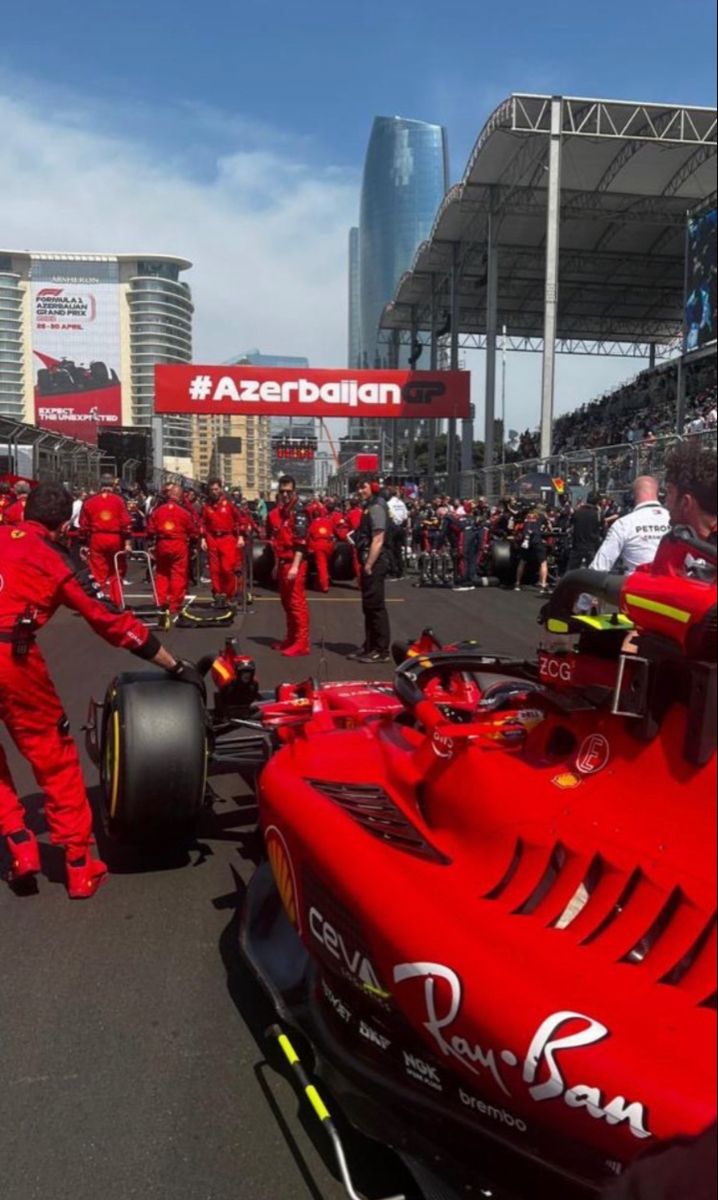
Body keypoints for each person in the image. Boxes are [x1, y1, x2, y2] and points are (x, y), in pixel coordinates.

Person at [0, 483, 200, 898]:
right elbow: (111, 621)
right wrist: (174, 664)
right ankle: (77, 864)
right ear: (64, 525)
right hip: (12, 659)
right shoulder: (55, 557)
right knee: (53, 759)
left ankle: (19, 845)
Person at [349, 477, 391, 663]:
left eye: (363, 486)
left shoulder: (376, 507)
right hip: (369, 561)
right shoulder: (369, 506)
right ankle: (370, 645)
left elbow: (378, 538)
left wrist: (368, 564)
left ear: (373, 487)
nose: (360, 490)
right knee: (368, 606)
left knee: (375, 607)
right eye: (358, 487)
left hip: (375, 562)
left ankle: (381, 650)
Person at [590, 476, 670, 574]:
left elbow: (599, 568)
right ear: (658, 493)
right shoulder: (677, 521)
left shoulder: (624, 524)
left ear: (632, 495)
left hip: (637, 586)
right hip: (675, 587)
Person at [267, 476, 310, 657]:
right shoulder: (282, 512)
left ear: (294, 491)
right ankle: (291, 638)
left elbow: (301, 542)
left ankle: (302, 642)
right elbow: (277, 541)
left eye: (288, 491)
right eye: (282, 491)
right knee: (286, 603)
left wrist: (294, 566)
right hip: (284, 562)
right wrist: (277, 565)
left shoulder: (299, 511)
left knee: (296, 604)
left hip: (295, 563)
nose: (285, 494)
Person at [79, 475, 132, 606]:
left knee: (98, 571)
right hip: (115, 538)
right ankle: (117, 600)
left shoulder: (89, 501)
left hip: (97, 538)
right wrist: (127, 542)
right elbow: (126, 523)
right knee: (117, 570)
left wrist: (83, 544)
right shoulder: (119, 501)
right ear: (113, 486)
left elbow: (84, 525)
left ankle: (101, 601)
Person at [147, 482, 198, 617]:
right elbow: (193, 532)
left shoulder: (158, 511)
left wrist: (152, 544)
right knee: (178, 574)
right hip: (178, 544)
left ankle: (160, 601)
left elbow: (150, 530)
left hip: (162, 544)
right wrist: (193, 546)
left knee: (161, 573)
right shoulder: (185, 513)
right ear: (181, 497)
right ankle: (174, 605)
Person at [200, 478, 242, 605]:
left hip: (227, 538)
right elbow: (203, 522)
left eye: (216, 489)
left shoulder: (229, 504)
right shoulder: (206, 505)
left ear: (221, 489)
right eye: (212, 489)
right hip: (212, 538)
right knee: (214, 569)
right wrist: (203, 538)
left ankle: (229, 595)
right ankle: (217, 594)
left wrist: (240, 536)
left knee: (227, 568)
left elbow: (239, 520)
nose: (214, 492)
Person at [514, 506, 550, 594]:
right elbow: (549, 526)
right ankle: (543, 585)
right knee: (543, 562)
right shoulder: (541, 516)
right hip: (536, 540)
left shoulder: (526, 516)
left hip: (525, 541)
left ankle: (517, 583)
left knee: (522, 561)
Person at [567, 492, 603, 571]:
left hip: (577, 544)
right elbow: (602, 527)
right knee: (592, 571)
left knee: (572, 571)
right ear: (597, 502)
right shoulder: (597, 514)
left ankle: (570, 582)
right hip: (591, 546)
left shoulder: (578, 512)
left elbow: (570, 524)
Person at [307, 510, 335, 593]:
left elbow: (309, 534)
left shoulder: (313, 523)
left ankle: (324, 585)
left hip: (318, 545)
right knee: (325, 564)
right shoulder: (328, 521)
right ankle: (319, 582)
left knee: (321, 566)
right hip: (329, 545)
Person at [386, 486, 409, 580]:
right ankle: (401, 571)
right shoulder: (402, 503)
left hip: (392, 527)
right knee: (399, 550)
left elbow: (388, 516)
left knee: (390, 549)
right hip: (401, 528)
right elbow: (406, 516)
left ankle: (393, 571)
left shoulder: (388, 503)